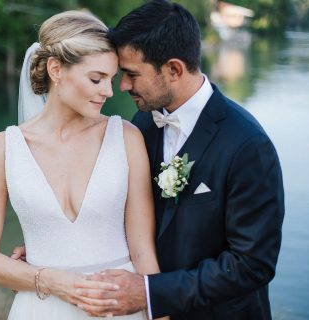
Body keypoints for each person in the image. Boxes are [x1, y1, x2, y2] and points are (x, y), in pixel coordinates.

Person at [71, 1, 285, 319]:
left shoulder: (248, 146)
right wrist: (54, 244)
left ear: (174, 70)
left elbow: (252, 264)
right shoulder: (143, 124)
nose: (123, 86)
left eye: (131, 74)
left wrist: (149, 293)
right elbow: (122, 207)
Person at [0, 10, 165, 319]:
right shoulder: (2, 149)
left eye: (111, 80)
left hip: (118, 306)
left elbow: (143, 250)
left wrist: (160, 316)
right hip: (41, 308)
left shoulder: (126, 138)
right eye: (97, 79)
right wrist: (52, 281)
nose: (108, 92)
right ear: (56, 70)